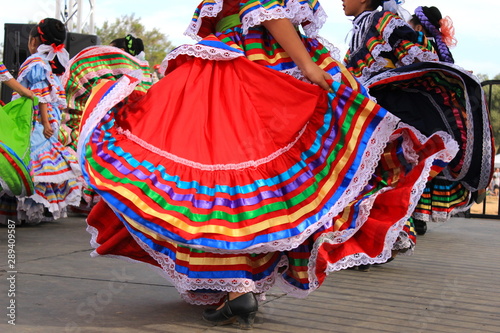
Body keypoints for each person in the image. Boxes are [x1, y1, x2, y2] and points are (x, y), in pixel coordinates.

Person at [77, 0, 457, 328]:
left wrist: (306, 65)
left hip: (241, 62)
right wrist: (306, 63)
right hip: (260, 60)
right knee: (262, 185)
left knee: (222, 180)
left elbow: (266, 9)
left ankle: (235, 287)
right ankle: (234, 287)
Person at [342, 0, 493, 235]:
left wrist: (448, 72)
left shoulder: (384, 22)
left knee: (384, 173)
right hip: (367, 112)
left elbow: (414, 53)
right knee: (370, 173)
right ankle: (376, 234)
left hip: (389, 112)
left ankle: (388, 232)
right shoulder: (358, 31)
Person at [9, 18, 81, 224]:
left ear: (33, 42)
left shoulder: (36, 63)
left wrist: (45, 124)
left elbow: (38, 96)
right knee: (40, 166)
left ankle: (22, 214)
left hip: (35, 122)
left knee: (28, 163)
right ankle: (31, 212)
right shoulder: (51, 64)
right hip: (47, 121)